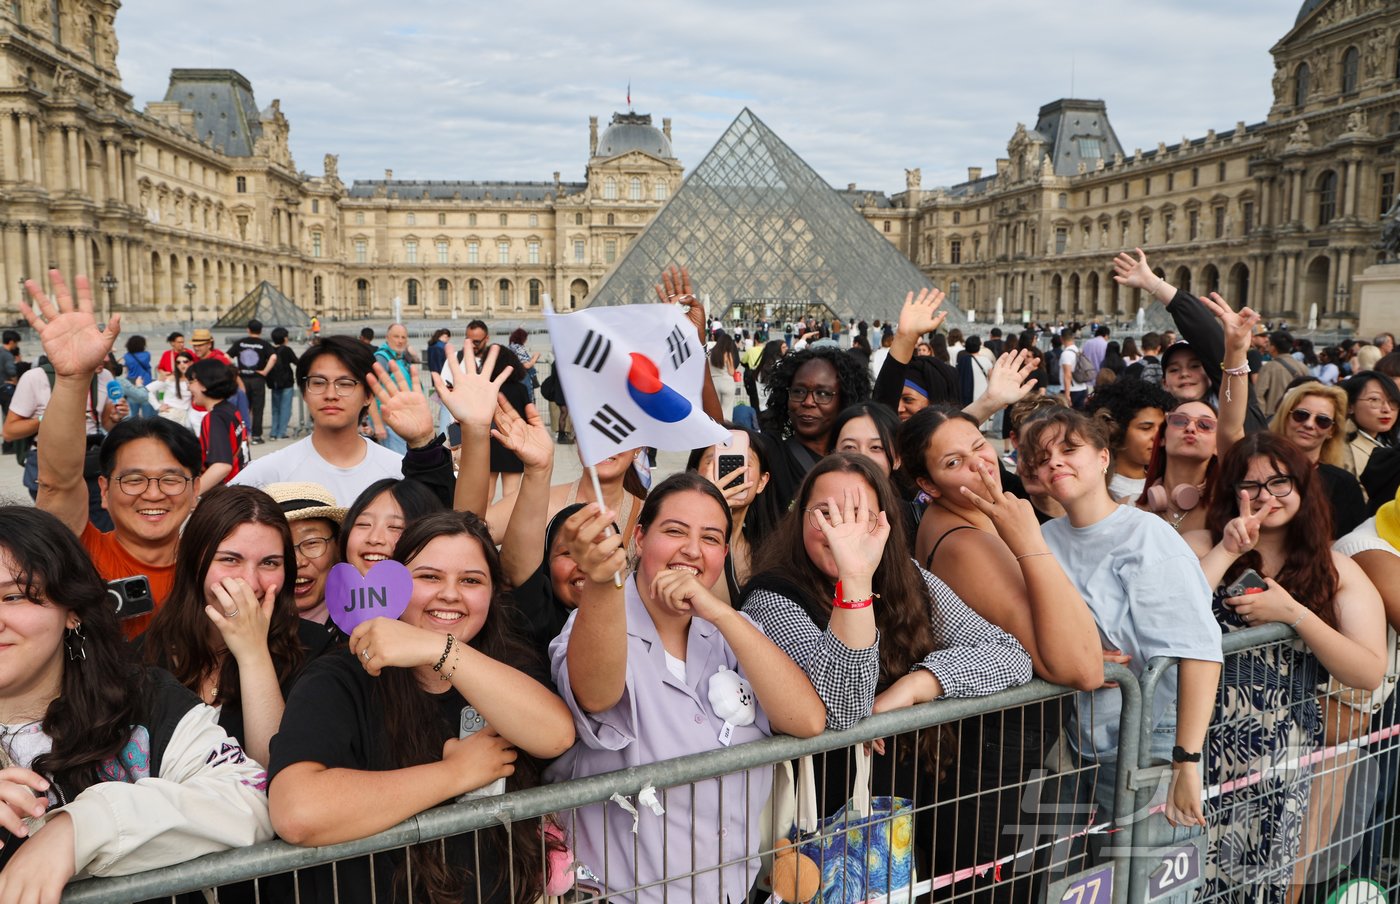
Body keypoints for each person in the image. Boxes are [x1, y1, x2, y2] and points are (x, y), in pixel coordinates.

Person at [270, 510, 577, 904]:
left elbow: (555, 735)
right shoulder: (336, 678)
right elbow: (297, 812)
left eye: (471, 580)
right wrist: (453, 774)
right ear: (393, 586)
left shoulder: (509, 663)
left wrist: (439, 649)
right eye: (429, 577)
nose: (450, 594)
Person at [549, 473, 826, 903]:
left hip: (729, 891)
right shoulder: (595, 625)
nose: (693, 550)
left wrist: (722, 614)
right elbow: (596, 695)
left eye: (711, 538)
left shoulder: (732, 632)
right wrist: (603, 581)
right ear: (639, 537)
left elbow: (806, 719)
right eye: (674, 531)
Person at [0, 506, 273, 900]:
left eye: (14, 596)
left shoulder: (144, 698)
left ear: (72, 611)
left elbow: (250, 795)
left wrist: (85, 826)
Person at [1185, 433, 1386, 902]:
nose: (1264, 497)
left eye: (1279, 482)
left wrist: (1293, 614)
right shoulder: (1197, 543)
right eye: (1249, 485)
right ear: (1229, 490)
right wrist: (1229, 551)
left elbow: (1368, 670)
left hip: (1281, 754)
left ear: (1302, 487)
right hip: (1194, 747)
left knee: (1262, 882)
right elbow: (1167, 618)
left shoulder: (1335, 567)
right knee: (1183, 880)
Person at [1019, 408, 1222, 837]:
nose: (1054, 461)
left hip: (1151, 731)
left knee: (1145, 882)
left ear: (1103, 458)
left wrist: (1186, 761)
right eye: (1042, 456)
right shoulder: (1043, 539)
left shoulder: (1146, 536)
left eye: (1069, 449)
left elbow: (1199, 650)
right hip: (1074, 740)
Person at [20, 272, 196, 637]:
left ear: (195, 489)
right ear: (103, 489)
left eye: (170, 478)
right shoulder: (80, 554)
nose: (153, 492)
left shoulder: (215, 566)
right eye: (133, 479)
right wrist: (71, 380)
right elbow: (56, 484)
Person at [140, 485, 309, 767]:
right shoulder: (143, 655)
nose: (250, 583)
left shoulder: (315, 650)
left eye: (269, 563)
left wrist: (253, 654)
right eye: (230, 560)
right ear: (194, 561)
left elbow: (274, 770)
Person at [230, 336, 405, 505]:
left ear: (368, 395)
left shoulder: (398, 472)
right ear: (304, 392)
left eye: (345, 384)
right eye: (318, 383)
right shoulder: (269, 473)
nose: (330, 395)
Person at [759, 343, 873, 510]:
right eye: (798, 391)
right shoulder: (771, 454)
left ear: (845, 399)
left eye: (823, 394)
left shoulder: (856, 458)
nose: (808, 402)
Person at [1270, 382, 1367, 538]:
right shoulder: (1256, 469)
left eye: (1322, 421)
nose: (1309, 424)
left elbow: (1349, 545)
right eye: (1301, 415)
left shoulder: (1343, 484)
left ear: (1331, 431)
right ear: (1285, 417)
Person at [264, 481, 344, 648]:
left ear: (338, 547)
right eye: (283, 548)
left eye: (312, 543)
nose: (298, 562)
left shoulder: (363, 618)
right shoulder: (248, 629)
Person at [1086, 378, 1176, 500]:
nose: (1158, 437)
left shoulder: (1167, 481)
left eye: (1162, 428)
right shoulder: (1096, 491)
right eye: (1146, 428)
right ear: (1114, 429)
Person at [188, 359, 250, 494]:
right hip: (243, 489)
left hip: (227, 495)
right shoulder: (231, 409)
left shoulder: (214, 417)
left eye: (191, 382)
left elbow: (222, 466)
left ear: (204, 385)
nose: (189, 387)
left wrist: (192, 496)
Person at [1342, 370, 1399, 483]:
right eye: (1374, 400)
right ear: (1350, 406)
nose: (1386, 409)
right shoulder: (1342, 448)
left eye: (1392, 401)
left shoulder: (1385, 442)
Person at [228, 319, 274, 445]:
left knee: (243, 408)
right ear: (261, 330)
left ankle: (242, 433)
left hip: (242, 379)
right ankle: (256, 436)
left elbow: (227, 356)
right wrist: (265, 371)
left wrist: (235, 370)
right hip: (258, 379)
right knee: (258, 408)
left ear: (248, 329)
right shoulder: (264, 344)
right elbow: (273, 357)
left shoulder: (241, 343)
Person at [372, 323, 413, 454]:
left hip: (401, 419)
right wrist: (378, 424)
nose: (400, 341)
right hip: (388, 422)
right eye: (396, 337)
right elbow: (370, 392)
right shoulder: (382, 358)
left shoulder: (400, 357)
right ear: (387, 337)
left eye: (403, 337)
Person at [265, 326, 299, 440]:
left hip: (274, 383)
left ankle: (273, 433)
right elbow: (297, 362)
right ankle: (281, 433)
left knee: (275, 409)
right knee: (285, 408)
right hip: (286, 383)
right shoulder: (287, 350)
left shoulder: (270, 350)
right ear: (285, 338)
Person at [121, 334, 156, 419]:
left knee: (132, 415)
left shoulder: (127, 356)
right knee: (148, 417)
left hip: (132, 385)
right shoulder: (147, 355)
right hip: (146, 384)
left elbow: (127, 366)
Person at [707, 329, 740, 420]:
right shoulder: (728, 354)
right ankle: (727, 429)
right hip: (727, 383)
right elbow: (731, 372)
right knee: (727, 411)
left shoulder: (711, 353)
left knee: (715, 411)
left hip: (714, 384)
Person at [1059, 327, 1089, 409]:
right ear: (1073, 338)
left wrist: (1067, 394)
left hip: (1072, 390)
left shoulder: (1066, 354)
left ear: (1061, 339)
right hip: (1082, 388)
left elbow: (1067, 374)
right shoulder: (1079, 351)